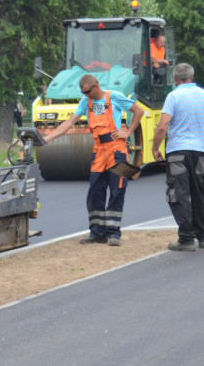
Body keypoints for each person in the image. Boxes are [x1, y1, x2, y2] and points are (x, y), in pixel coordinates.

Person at [40, 74, 145, 246]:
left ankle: (114, 234)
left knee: (117, 191)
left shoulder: (115, 97)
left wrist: (127, 132)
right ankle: (97, 233)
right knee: (95, 192)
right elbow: (69, 123)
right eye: (83, 93)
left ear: (96, 86)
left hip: (117, 151)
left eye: (87, 91)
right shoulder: (85, 103)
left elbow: (138, 111)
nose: (86, 95)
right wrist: (46, 139)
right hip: (99, 152)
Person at [151, 63, 204, 251]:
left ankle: (186, 238)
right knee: (199, 192)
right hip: (198, 152)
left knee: (178, 194)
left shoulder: (173, 96)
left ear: (175, 79)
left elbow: (163, 126)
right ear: (192, 76)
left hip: (178, 152)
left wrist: (155, 148)